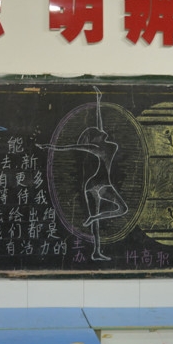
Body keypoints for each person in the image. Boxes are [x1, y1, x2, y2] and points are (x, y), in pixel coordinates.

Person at [39, 87, 128, 260]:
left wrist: (99, 101)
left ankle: (96, 243)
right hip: (99, 184)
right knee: (120, 209)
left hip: (98, 184)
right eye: (98, 132)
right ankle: (95, 232)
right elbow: (70, 147)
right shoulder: (96, 147)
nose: (101, 130)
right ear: (97, 138)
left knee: (121, 209)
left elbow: (99, 123)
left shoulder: (105, 144)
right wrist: (51, 147)